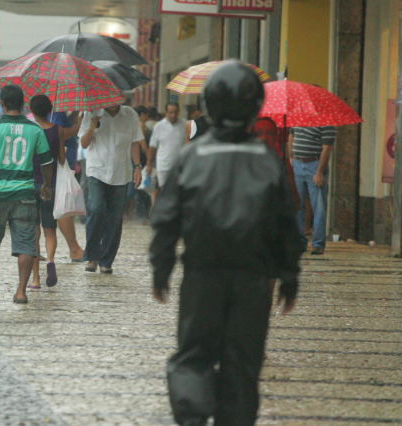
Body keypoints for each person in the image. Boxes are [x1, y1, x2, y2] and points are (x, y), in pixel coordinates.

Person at [150, 61, 303, 426]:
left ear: (208, 105)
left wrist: (161, 268)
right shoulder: (268, 160)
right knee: (242, 362)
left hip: (202, 274)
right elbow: (286, 224)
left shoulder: (191, 157)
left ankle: (191, 415)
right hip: (253, 278)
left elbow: (166, 218)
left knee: (194, 354)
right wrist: (289, 275)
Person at [0, 85, 53, 304]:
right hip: (24, 194)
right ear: (23, 104)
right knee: (25, 243)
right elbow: (47, 162)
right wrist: (47, 184)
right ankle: (21, 291)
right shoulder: (35, 129)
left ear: (2, 103)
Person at [79, 103, 144, 274]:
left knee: (115, 217)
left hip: (121, 173)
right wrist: (92, 127)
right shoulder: (91, 112)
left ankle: (106, 260)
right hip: (96, 171)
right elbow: (84, 144)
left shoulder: (130, 114)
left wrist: (137, 167)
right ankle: (92, 257)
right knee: (96, 208)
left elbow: (134, 144)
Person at [28, 95, 81, 289]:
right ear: (50, 110)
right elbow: (60, 159)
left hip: (30, 185)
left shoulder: (29, 130)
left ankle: (35, 279)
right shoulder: (57, 130)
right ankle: (50, 260)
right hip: (51, 186)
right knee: (50, 230)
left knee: (34, 232)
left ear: (32, 110)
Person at [288, 124, 336, 255]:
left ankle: (318, 244)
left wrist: (319, 172)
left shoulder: (326, 122)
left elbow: (327, 148)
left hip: (315, 164)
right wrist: (291, 158)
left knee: (319, 207)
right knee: (297, 206)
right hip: (298, 164)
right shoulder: (298, 118)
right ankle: (299, 242)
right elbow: (291, 136)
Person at [50, 111, 86, 262]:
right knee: (63, 206)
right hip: (59, 164)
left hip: (59, 164)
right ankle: (74, 249)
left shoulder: (58, 112)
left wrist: (75, 116)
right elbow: (59, 133)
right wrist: (79, 126)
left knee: (52, 206)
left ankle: (35, 250)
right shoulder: (56, 110)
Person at [147, 102, 186, 189]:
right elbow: (152, 147)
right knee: (164, 191)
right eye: (171, 112)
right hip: (163, 165)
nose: (173, 115)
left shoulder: (185, 125)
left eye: (175, 112)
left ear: (179, 111)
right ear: (166, 113)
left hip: (179, 166)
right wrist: (149, 164)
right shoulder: (159, 126)